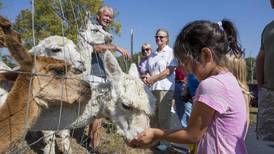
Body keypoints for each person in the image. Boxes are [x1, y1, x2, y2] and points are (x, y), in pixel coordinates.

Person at [130, 19, 248, 154]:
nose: (184, 69)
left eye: (185, 62)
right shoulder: (228, 79)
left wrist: (156, 133)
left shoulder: (211, 85)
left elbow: (192, 135)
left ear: (205, 55)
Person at [79, 5, 130, 150]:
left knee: (94, 113)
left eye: (110, 17)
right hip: (95, 75)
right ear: (98, 16)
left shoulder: (104, 32)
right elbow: (95, 47)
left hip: (102, 75)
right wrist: (115, 48)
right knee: (99, 113)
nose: (108, 19)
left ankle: (89, 140)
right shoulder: (93, 29)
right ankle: (95, 147)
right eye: (105, 15)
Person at [143, 29, 177, 151]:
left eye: (161, 37)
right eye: (156, 36)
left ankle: (165, 142)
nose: (158, 39)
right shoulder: (152, 55)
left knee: (164, 117)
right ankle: (155, 139)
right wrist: (147, 76)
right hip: (152, 88)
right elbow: (147, 69)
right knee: (153, 116)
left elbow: (169, 71)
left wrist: (153, 78)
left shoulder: (171, 52)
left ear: (167, 38)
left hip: (165, 88)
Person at [256, 0, 274, 142]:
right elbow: (261, 57)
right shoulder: (268, 29)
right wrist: (261, 86)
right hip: (269, 91)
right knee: (268, 139)